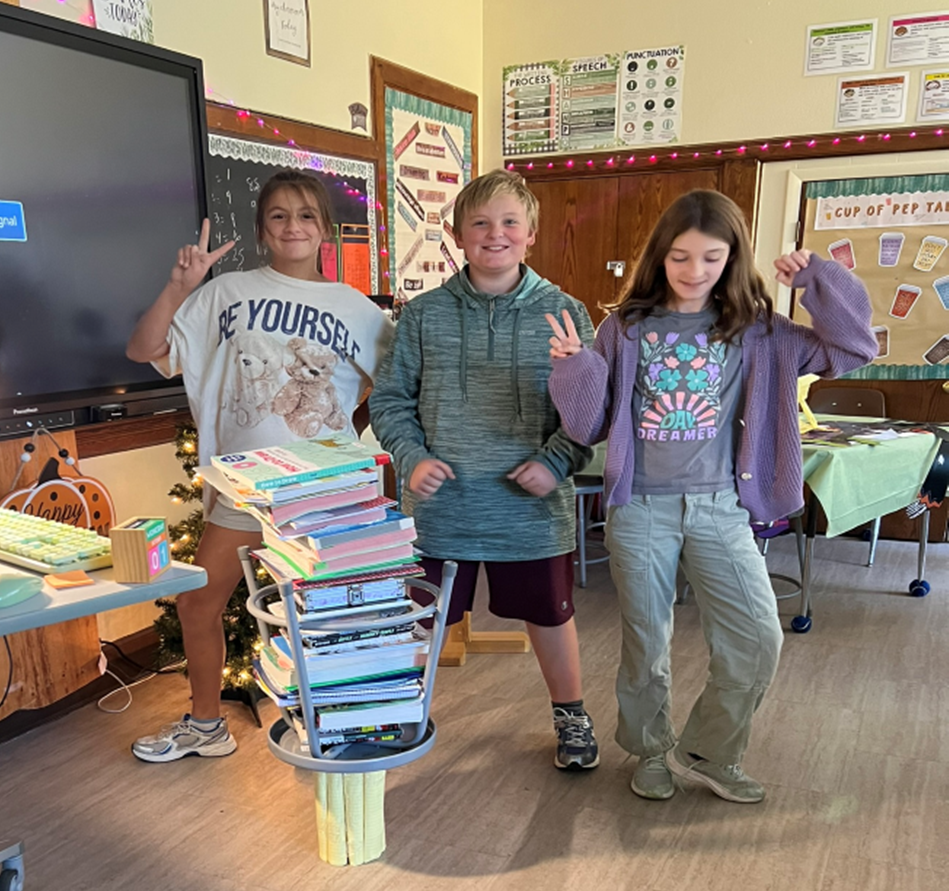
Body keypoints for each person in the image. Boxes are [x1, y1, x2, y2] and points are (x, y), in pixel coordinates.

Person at [546, 189, 877, 803]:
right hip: (640, 508)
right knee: (646, 643)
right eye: (679, 257)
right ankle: (649, 750)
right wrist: (573, 369)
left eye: (710, 258)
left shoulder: (760, 331)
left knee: (757, 636)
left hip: (722, 507)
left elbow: (853, 348)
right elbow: (588, 427)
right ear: (659, 256)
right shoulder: (625, 328)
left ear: (732, 259)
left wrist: (820, 279)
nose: (693, 271)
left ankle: (706, 752)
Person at [125, 171, 393, 763]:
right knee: (197, 601)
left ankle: (340, 728)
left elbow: (398, 387)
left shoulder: (357, 309)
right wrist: (178, 286)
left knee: (327, 614)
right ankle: (205, 724)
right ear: (260, 230)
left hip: (321, 493)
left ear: (325, 228)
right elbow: (143, 350)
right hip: (244, 489)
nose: (292, 226)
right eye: (278, 215)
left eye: (305, 215)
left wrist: (350, 434)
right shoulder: (225, 293)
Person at [370, 169, 599, 771]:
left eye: (509, 222)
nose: (495, 234)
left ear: (531, 234)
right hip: (441, 512)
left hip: (532, 513)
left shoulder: (566, 312)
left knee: (550, 617)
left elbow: (590, 410)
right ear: (456, 234)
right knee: (420, 620)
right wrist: (412, 458)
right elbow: (389, 401)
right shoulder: (423, 316)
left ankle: (571, 716)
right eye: (480, 223)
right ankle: (398, 713)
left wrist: (555, 462)